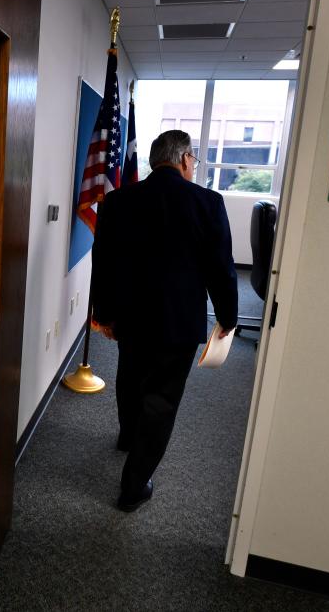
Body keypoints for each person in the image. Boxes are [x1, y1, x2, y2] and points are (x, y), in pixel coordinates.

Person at [90, 129, 238, 513]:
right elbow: (221, 269)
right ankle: (133, 486)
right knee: (161, 398)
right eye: (194, 161)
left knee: (130, 377)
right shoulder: (208, 203)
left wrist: (103, 314)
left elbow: (103, 263)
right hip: (178, 323)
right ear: (186, 159)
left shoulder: (118, 201)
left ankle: (128, 437)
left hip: (131, 317)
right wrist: (227, 318)